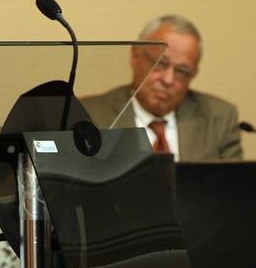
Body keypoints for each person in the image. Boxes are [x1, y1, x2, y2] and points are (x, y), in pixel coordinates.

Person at [81, 14, 242, 160]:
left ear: (193, 74)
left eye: (182, 71)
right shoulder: (91, 114)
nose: (168, 79)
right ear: (135, 56)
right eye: (160, 64)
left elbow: (234, 188)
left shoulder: (218, 119)